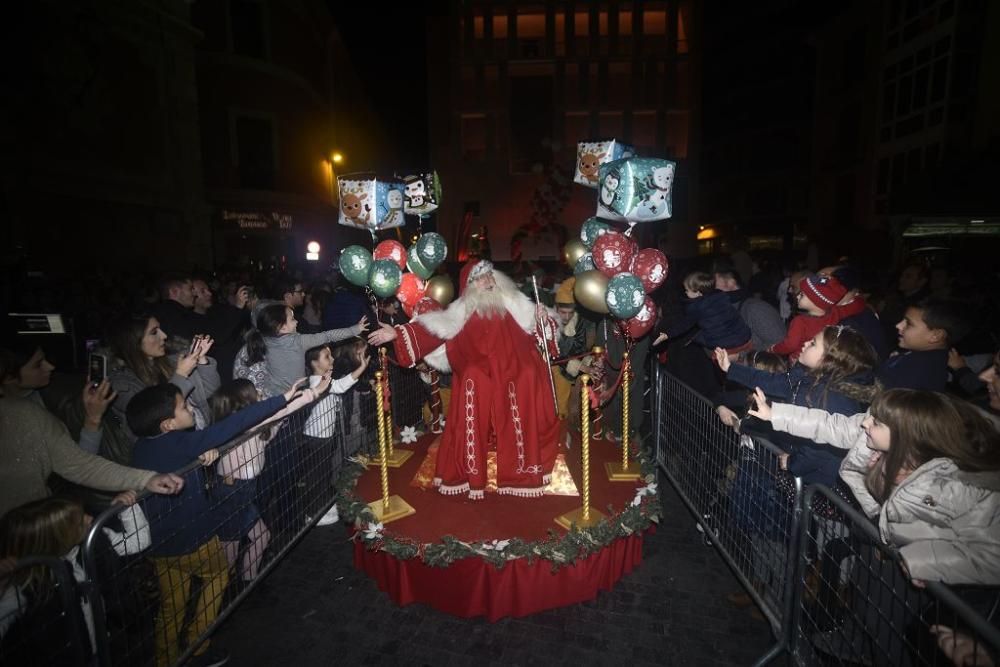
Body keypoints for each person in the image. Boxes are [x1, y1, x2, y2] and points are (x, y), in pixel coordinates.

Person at [128, 380, 308, 667]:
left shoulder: (140, 450)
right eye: (183, 406)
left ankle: (165, 659)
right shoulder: (183, 442)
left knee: (171, 607)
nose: (190, 408)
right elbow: (234, 424)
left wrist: (202, 455)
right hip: (196, 539)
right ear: (167, 425)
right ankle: (199, 645)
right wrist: (282, 398)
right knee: (217, 579)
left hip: (161, 546)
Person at [368, 259, 560, 499]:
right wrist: (396, 332)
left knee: (526, 376)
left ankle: (521, 460)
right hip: (479, 367)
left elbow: (541, 328)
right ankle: (474, 465)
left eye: (489, 277)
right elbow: (433, 329)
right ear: (469, 285)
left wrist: (543, 318)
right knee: (474, 378)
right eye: (480, 279)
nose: (487, 282)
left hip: (515, 364)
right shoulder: (461, 309)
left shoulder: (514, 301)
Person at [209, 377, 327, 582]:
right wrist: (313, 392)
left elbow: (267, 434)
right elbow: (283, 411)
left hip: (244, 491)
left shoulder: (251, 426)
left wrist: (278, 419)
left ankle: (247, 581)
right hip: (231, 493)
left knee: (261, 537)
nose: (259, 393)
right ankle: (220, 591)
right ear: (244, 402)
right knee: (230, 548)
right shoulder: (239, 425)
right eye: (254, 392)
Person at [0, 397, 183, 517]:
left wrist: (146, 479)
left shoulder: (25, 413)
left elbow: (80, 464)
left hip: (38, 533)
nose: (50, 366)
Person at [108, 315, 220, 443]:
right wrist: (181, 374)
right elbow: (153, 420)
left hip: (205, 433)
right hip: (175, 450)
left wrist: (202, 361)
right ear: (134, 342)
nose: (164, 335)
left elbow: (212, 394)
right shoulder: (122, 385)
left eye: (160, 329)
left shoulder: (173, 360)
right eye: (154, 332)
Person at [300, 344, 369, 525]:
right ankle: (314, 512)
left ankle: (321, 507)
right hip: (316, 438)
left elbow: (337, 386)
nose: (332, 359)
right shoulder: (317, 382)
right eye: (326, 357)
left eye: (330, 355)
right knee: (316, 476)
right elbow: (339, 387)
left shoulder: (324, 379)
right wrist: (361, 368)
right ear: (314, 362)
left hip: (324, 436)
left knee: (323, 473)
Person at [236, 304, 366, 398]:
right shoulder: (297, 342)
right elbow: (328, 336)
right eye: (292, 319)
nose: (297, 321)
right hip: (291, 398)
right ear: (281, 327)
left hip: (274, 398)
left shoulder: (264, 339)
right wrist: (355, 329)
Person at [652, 271, 753, 358]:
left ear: (698, 293)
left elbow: (684, 325)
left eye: (687, 290)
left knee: (700, 340)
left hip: (724, 345)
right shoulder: (721, 295)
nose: (685, 292)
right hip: (744, 337)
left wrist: (667, 334)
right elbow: (738, 294)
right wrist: (750, 291)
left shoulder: (695, 308)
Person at [878, 298, 968, 392]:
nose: (898, 325)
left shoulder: (918, 372)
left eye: (908, 323)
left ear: (935, 336)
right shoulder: (923, 356)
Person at [769, 274, 863, 362]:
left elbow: (790, 345)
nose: (797, 296)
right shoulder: (835, 312)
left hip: (800, 361)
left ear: (815, 301)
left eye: (802, 295)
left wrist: (773, 349)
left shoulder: (800, 321)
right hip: (821, 361)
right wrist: (859, 297)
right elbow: (857, 305)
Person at [714, 268, 786, 350]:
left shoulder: (755, 308)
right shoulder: (726, 310)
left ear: (731, 283)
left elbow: (780, 345)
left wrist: (740, 355)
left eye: (714, 285)